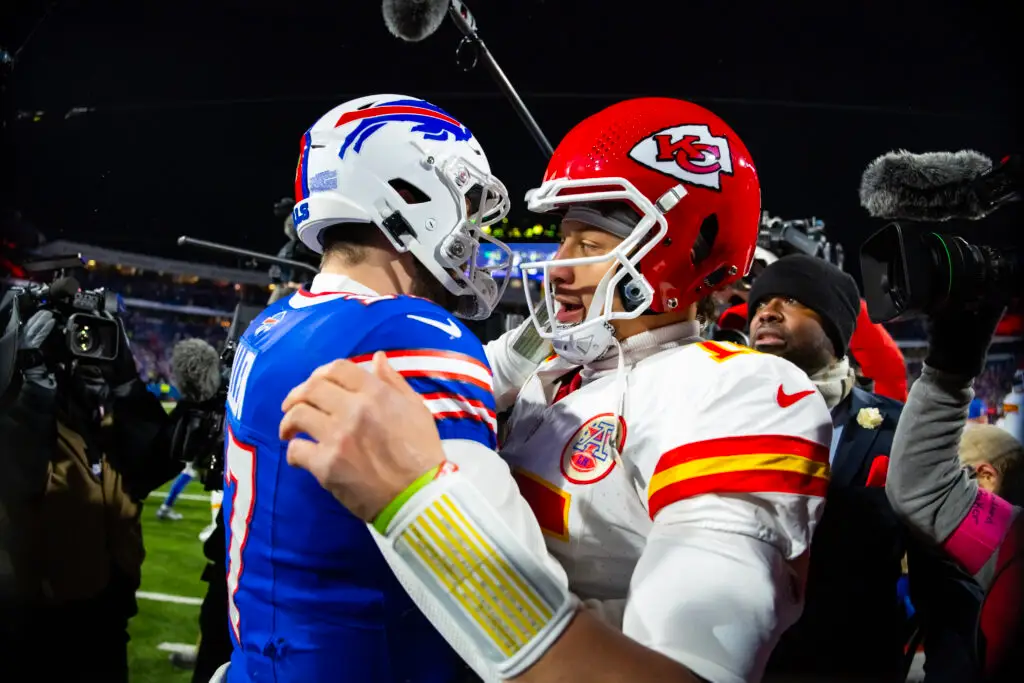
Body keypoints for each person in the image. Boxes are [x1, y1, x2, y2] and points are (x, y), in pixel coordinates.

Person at [281, 97, 834, 683]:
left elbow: (681, 674)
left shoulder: (736, 394)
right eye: (563, 239)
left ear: (682, 254)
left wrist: (424, 509)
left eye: (591, 247)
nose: (558, 266)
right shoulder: (547, 362)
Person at [221, 94, 549, 683]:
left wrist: (537, 338)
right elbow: (513, 594)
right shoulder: (416, 333)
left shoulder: (276, 325)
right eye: (466, 209)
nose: (473, 233)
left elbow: (427, 382)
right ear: (410, 199)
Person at [746, 254, 976, 681]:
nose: (766, 313)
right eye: (760, 304)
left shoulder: (895, 426)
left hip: (856, 665)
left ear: (835, 328)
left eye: (791, 300)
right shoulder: (718, 420)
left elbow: (941, 580)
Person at [886, 304, 1024, 681]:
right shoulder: (1010, 542)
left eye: (960, 472)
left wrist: (951, 365)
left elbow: (923, 487)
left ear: (986, 478)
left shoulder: (1010, 543)